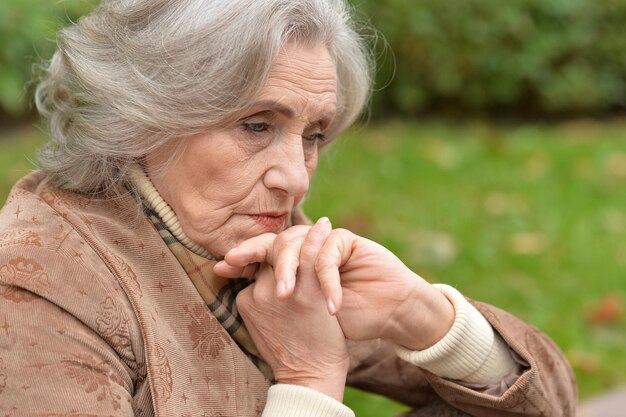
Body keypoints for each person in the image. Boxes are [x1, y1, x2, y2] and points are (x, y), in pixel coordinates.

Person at [0, 0, 576, 415]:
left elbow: (551, 404)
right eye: (256, 125)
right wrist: (309, 383)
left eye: (314, 134)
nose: (296, 178)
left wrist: (420, 316)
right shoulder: (35, 286)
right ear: (144, 119)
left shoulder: (269, 249)